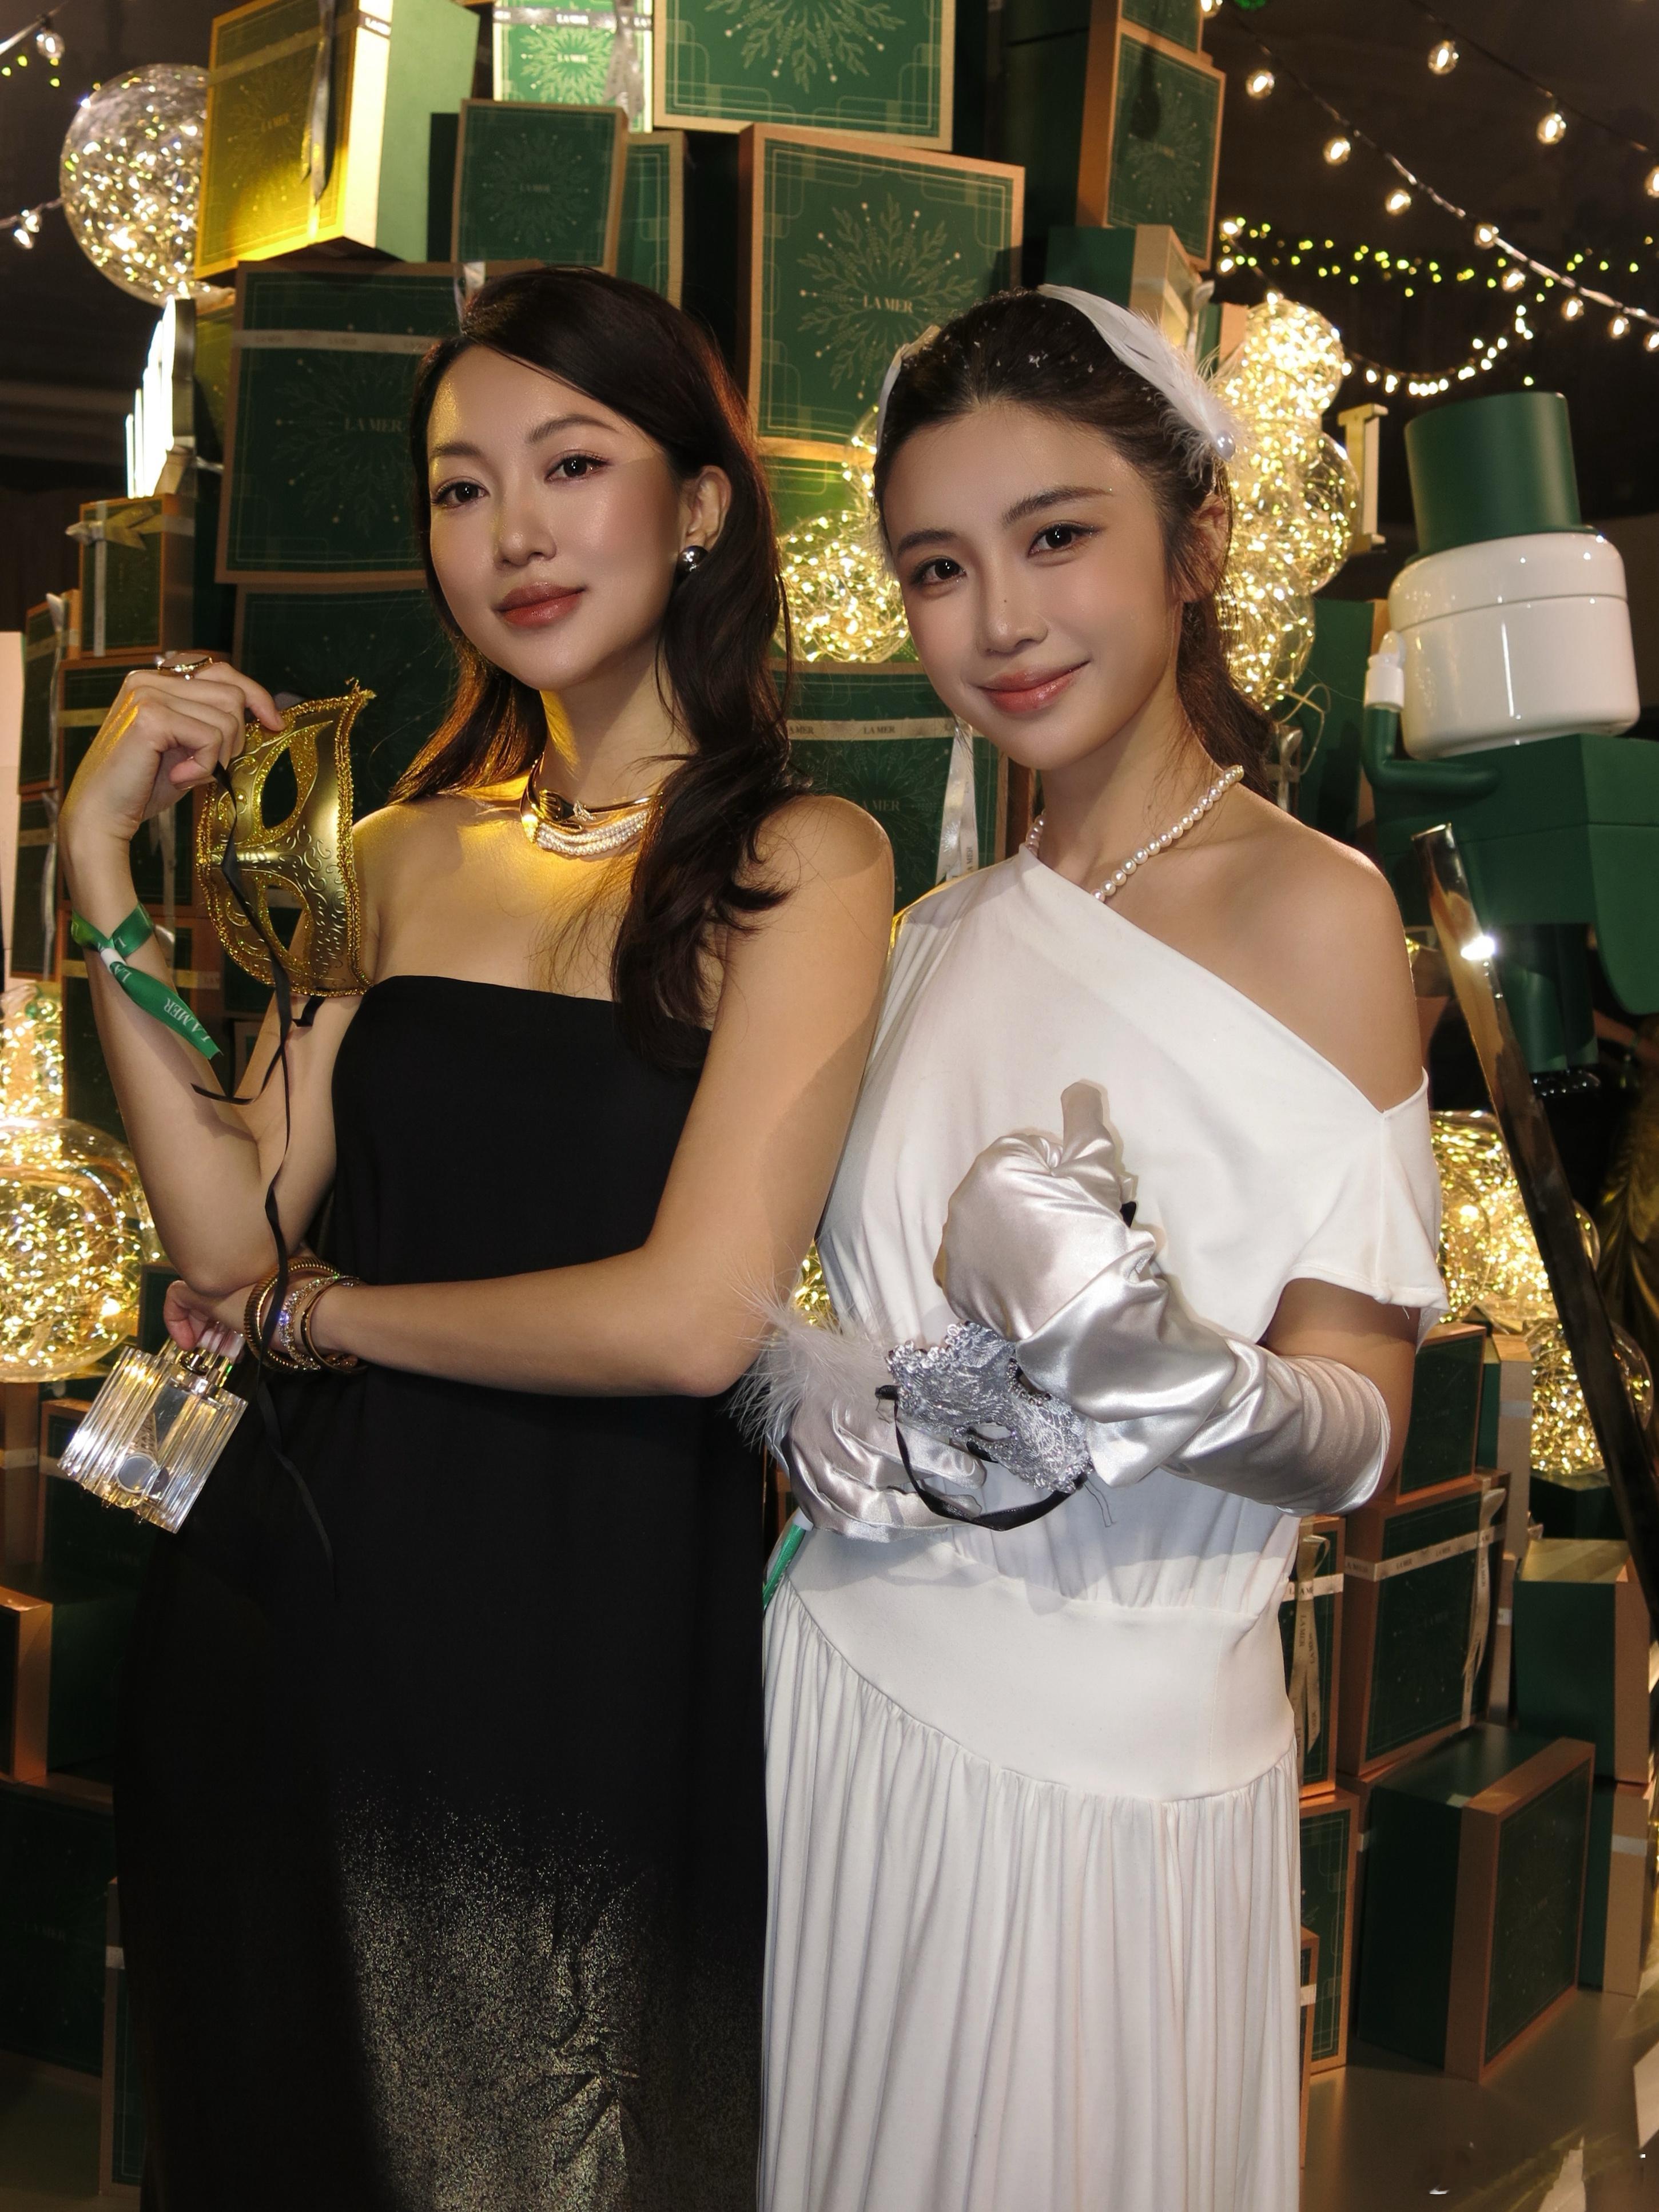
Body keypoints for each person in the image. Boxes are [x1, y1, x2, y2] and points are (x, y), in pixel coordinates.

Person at [57, 266, 893, 2212]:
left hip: (584, 1641)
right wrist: (100, 873)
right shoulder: (398, 849)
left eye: (571, 464)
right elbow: (228, 1223)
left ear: (701, 501)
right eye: (459, 487)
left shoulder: (801, 861)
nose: (513, 531)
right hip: (300, 1616)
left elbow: (695, 1321)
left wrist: (331, 1317)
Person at [757, 288, 1446, 2212]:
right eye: (939, 567)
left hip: (1113, 1779)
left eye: (1056, 535)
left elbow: (1365, 1423)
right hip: (846, 1703)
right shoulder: (926, 935)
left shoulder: (1321, 910)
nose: (1002, 619)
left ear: (1195, 538)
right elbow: (862, 1326)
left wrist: (1154, 1367)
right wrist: (833, 1416)